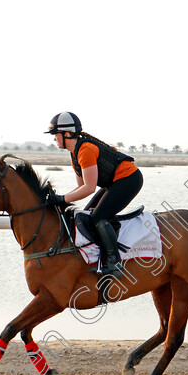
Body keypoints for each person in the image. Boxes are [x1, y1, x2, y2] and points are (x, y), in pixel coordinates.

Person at [44, 112, 143, 277]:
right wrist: (60, 199)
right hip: (115, 183)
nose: (54, 139)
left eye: (55, 135)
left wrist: (62, 199)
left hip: (129, 180)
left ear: (66, 134)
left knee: (98, 217)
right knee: (88, 214)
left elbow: (89, 188)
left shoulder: (85, 150)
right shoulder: (74, 153)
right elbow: (81, 187)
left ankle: (114, 263)